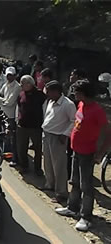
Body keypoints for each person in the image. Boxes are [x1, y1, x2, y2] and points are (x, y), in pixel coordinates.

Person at [56, 80, 111, 231]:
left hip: (88, 153)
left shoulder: (96, 111)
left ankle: (86, 217)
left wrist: (100, 153)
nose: (74, 94)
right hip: (76, 150)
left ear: (84, 93)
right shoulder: (81, 105)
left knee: (86, 186)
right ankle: (72, 208)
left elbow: (108, 133)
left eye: (76, 91)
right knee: (75, 181)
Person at [41, 81, 76, 203]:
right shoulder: (50, 102)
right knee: (47, 162)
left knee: (59, 166)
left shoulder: (68, 104)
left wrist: (65, 134)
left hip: (58, 137)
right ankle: (50, 184)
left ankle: (61, 192)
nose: (47, 94)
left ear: (56, 91)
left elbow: (74, 121)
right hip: (47, 134)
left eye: (49, 91)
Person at [17, 75, 46, 175]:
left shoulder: (40, 95)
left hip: (35, 127)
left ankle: (37, 169)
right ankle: (24, 166)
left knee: (37, 149)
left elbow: (45, 108)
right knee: (21, 148)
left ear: (30, 84)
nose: (21, 85)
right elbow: (19, 106)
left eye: (23, 83)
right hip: (22, 126)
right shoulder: (21, 94)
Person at [0, 66, 21, 166]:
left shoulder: (17, 87)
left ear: (14, 76)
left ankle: (14, 157)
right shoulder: (6, 85)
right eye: (8, 75)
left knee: (12, 138)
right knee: (5, 135)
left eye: (11, 75)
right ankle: (6, 154)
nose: (9, 77)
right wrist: (3, 101)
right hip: (3, 114)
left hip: (11, 116)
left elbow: (10, 102)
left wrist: (2, 100)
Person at [63, 68, 87, 179]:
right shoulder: (71, 86)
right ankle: (70, 172)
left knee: (73, 150)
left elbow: (72, 102)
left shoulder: (79, 89)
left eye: (72, 75)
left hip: (76, 119)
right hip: (72, 118)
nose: (70, 76)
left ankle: (72, 173)